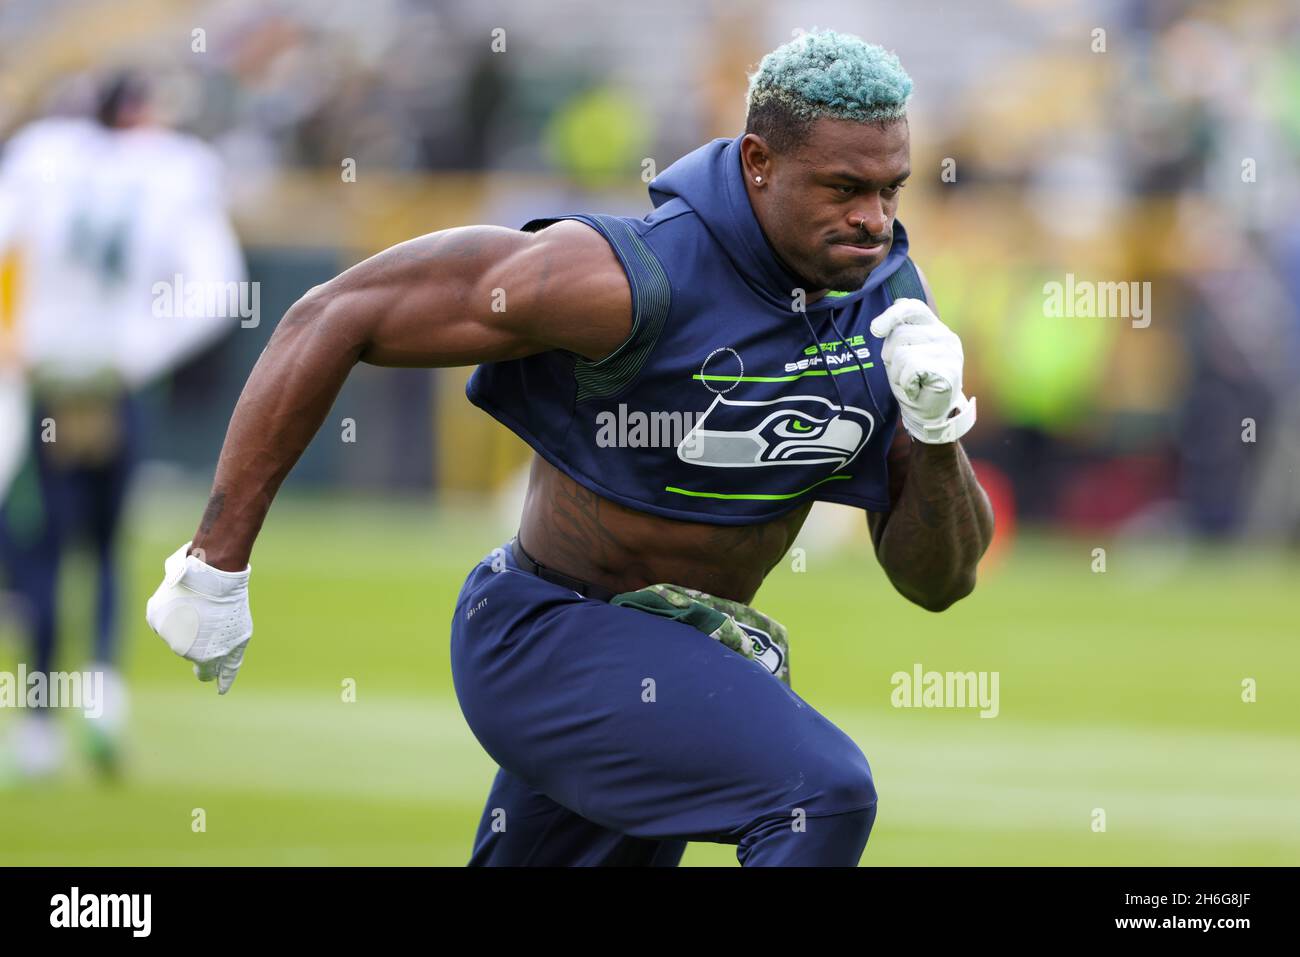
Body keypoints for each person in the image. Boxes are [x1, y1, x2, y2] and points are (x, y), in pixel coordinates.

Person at [145, 31, 993, 865]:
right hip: (547, 636)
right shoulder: (627, 278)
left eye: (892, 190)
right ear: (757, 162)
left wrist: (935, 427)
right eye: (845, 187)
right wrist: (217, 561)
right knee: (821, 795)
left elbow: (939, 580)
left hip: (679, 659)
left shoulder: (884, 299)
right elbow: (332, 314)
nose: (874, 220)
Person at [0, 71, 245, 779]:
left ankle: (40, 729)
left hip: (45, 377)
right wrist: (138, 352)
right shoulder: (175, 169)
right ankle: (103, 695)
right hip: (115, 381)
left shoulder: (45, 154)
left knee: (41, 549)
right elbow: (220, 285)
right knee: (106, 546)